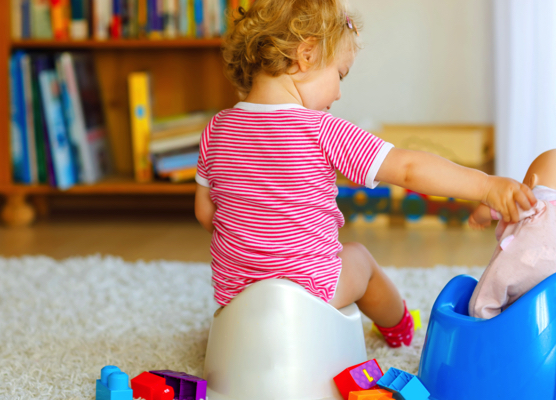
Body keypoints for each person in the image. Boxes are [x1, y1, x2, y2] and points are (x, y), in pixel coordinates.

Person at [194, 0, 535, 347]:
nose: (339, 93)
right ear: (306, 54)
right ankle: (398, 327)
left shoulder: (217, 128)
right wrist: (485, 185)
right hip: (312, 294)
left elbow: (206, 213)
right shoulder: (322, 129)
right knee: (358, 258)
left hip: (235, 295)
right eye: (339, 74)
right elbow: (408, 168)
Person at [467, 149, 556, 319]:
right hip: (554, 292)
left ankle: (481, 319)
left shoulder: (535, 204)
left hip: (520, 268)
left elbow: (502, 205)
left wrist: (479, 215)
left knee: (489, 291)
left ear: (531, 181)